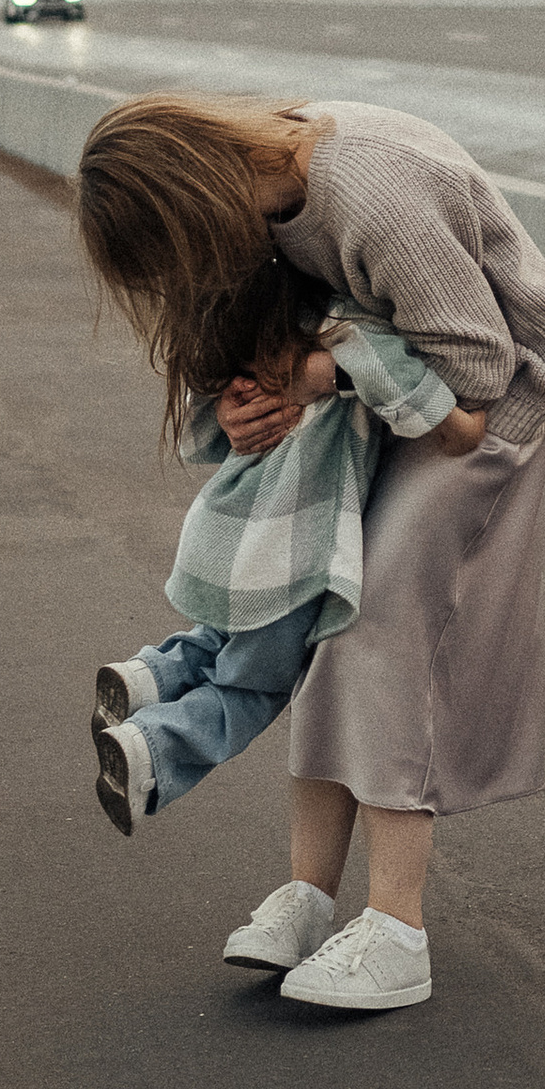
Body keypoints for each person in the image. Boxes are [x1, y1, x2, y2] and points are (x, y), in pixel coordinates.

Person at [75, 93, 545, 1014]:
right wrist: (245, 403)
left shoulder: (372, 196)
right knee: (316, 613)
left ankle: (398, 928)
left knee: (378, 629)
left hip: (492, 407)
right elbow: (297, 341)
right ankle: (311, 896)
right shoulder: (265, 186)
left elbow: (476, 379)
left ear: (194, 205)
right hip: (384, 393)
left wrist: (314, 373)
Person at [88, 263, 457, 833]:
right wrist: (469, 420)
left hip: (225, 539)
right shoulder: (350, 337)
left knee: (225, 639)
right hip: (289, 559)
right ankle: (150, 752)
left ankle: (145, 679)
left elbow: (200, 437)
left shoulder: (251, 339)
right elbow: (420, 407)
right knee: (250, 690)